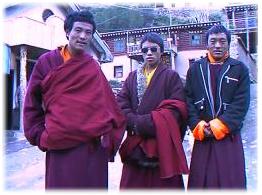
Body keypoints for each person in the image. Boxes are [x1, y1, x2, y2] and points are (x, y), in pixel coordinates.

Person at [23, 10, 126, 189]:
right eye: (78, 30)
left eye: (88, 32)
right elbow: (32, 103)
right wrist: (38, 135)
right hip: (59, 144)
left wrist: (108, 140)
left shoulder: (92, 67)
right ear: (67, 32)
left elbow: (111, 107)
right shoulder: (47, 62)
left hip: (91, 147)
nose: (83, 36)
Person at [117, 32, 189, 189]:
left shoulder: (171, 77)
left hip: (161, 142)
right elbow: (121, 104)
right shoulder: (132, 77)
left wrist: (143, 124)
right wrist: (134, 122)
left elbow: (176, 109)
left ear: (161, 52)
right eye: (145, 50)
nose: (149, 53)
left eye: (153, 49)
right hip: (136, 143)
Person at [185, 24, 250, 189]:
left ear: (228, 43)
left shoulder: (239, 69)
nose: (218, 45)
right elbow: (188, 101)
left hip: (228, 136)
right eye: (213, 41)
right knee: (202, 184)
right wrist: (197, 125)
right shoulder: (195, 69)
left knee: (230, 183)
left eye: (222, 41)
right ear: (206, 44)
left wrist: (220, 125)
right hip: (203, 137)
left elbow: (241, 103)